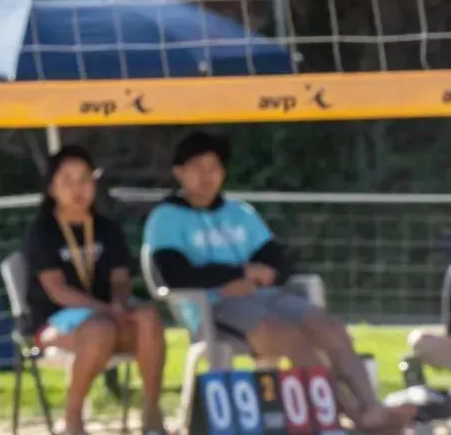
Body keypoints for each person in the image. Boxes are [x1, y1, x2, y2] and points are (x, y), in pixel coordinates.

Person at [142, 131, 416, 432]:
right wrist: (237, 275)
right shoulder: (166, 218)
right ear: (179, 172)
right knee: (290, 338)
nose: (207, 176)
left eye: (214, 167)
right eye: (197, 168)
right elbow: (174, 275)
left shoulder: (240, 213)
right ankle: (352, 415)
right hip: (215, 304)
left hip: (263, 296)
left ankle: (373, 407)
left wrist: (258, 277)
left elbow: (279, 261)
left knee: (330, 330)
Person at [22, 145, 166, 435]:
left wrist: (119, 301)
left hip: (108, 315)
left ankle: (152, 413)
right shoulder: (42, 231)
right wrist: (104, 309)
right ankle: (72, 419)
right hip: (57, 322)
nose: (77, 189)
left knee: (148, 318)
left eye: (84, 179)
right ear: (52, 188)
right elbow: (57, 290)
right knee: (99, 329)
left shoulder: (108, 228)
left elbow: (121, 277)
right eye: (67, 181)